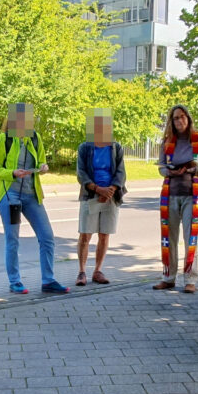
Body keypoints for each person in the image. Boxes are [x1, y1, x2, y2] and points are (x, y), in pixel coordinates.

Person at [0, 103, 68, 294]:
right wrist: (13, 173)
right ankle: (15, 281)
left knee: (47, 237)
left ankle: (48, 281)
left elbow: (41, 160)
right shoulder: (4, 139)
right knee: (13, 238)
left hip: (31, 195)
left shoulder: (35, 137)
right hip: (11, 195)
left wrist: (43, 167)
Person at [154, 104, 198, 293]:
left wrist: (192, 169)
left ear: (188, 118)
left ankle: (190, 279)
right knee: (169, 238)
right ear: (171, 121)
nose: (180, 121)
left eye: (182, 117)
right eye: (176, 118)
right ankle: (168, 277)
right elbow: (161, 166)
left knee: (190, 237)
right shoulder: (167, 141)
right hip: (170, 194)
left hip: (191, 194)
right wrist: (170, 172)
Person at [75, 108, 128, 286]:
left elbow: (121, 172)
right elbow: (81, 173)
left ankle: (98, 270)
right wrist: (98, 189)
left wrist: (111, 190)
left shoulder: (115, 147)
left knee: (104, 235)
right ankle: (81, 271)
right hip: (91, 194)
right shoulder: (85, 147)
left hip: (111, 195)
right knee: (85, 235)